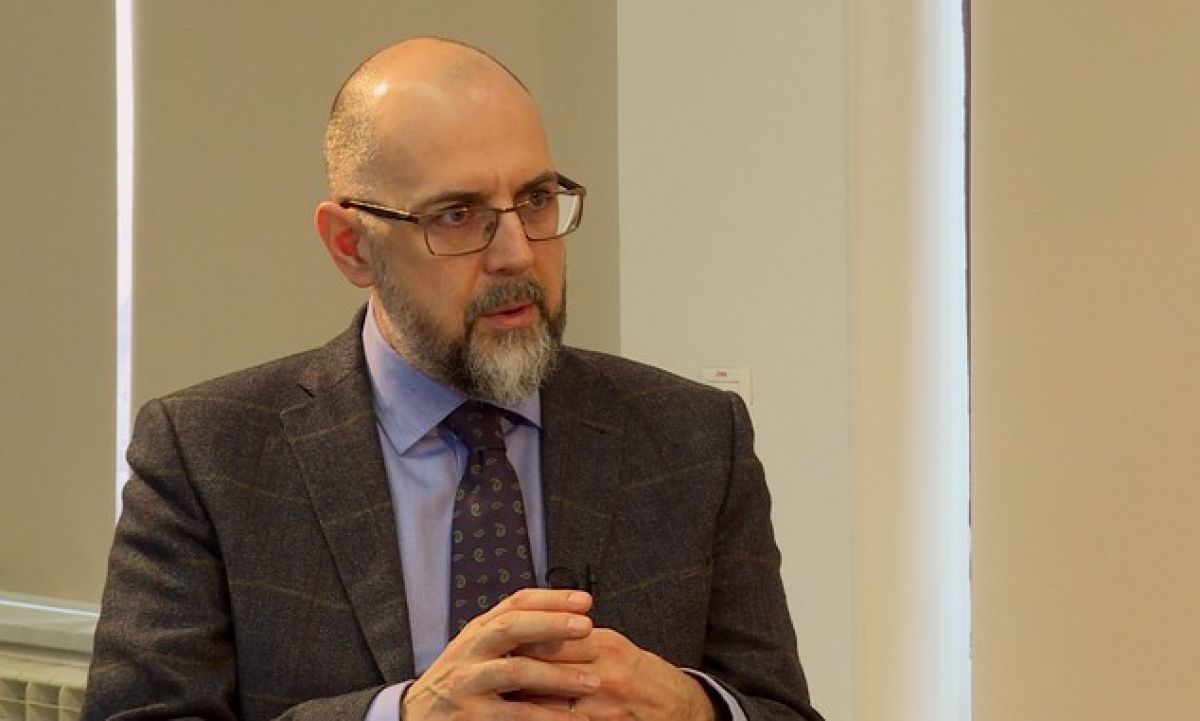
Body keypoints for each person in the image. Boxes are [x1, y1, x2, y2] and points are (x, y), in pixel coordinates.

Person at [81, 37, 824, 721]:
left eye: (536, 200)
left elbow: (780, 708)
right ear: (351, 246)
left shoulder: (693, 438)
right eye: (458, 215)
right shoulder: (210, 455)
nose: (517, 254)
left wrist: (697, 709)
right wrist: (400, 716)